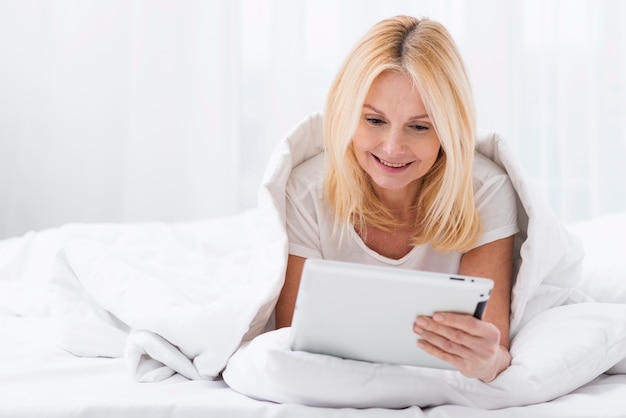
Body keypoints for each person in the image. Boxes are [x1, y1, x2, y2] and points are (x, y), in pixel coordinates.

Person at [275, 15, 519, 383]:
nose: (392, 148)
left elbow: (494, 349)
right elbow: (291, 341)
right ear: (346, 115)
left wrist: (485, 362)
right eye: (374, 121)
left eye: (419, 127)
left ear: (449, 131)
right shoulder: (307, 190)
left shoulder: (485, 190)